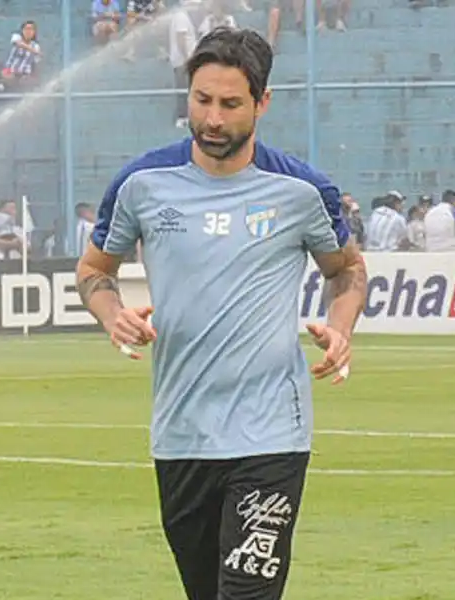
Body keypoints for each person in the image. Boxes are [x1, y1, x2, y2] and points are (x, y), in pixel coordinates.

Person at [75, 28, 367, 600]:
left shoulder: (302, 189)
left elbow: (348, 269)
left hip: (270, 435)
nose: (212, 118)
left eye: (230, 104)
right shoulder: (141, 185)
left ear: (262, 102)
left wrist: (341, 327)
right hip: (181, 434)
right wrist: (111, 315)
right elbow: (93, 271)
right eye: (201, 99)